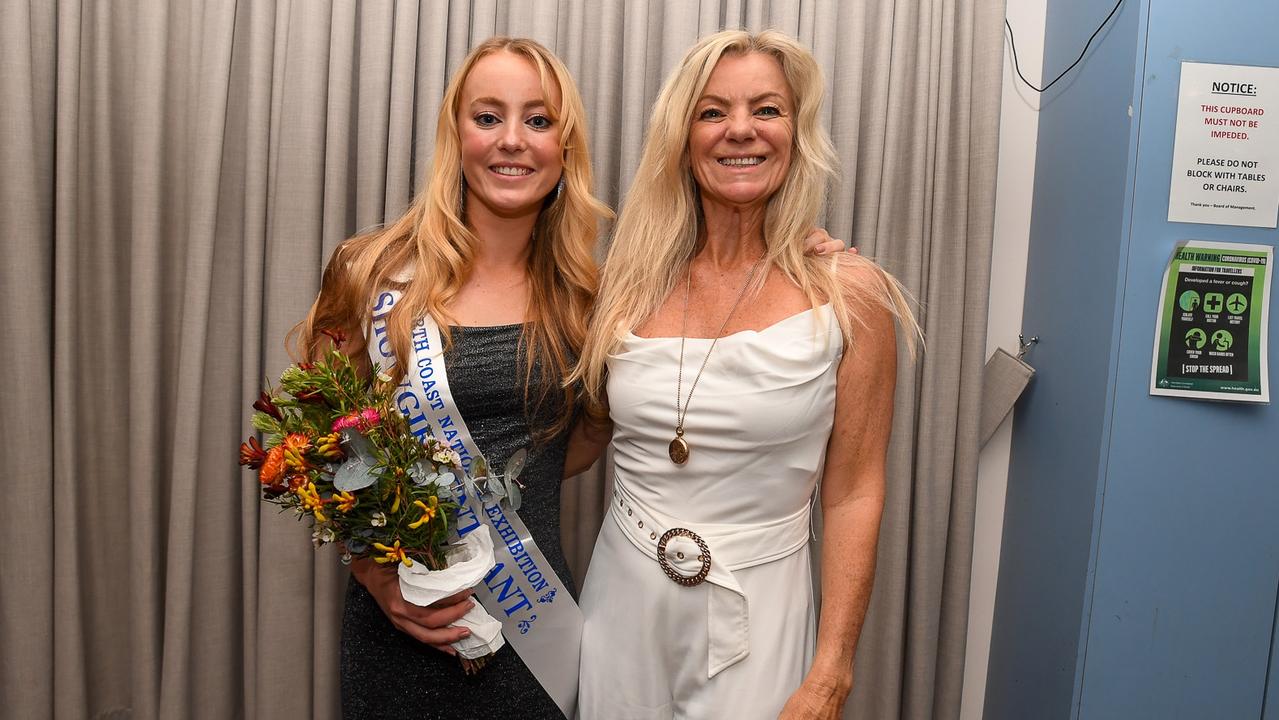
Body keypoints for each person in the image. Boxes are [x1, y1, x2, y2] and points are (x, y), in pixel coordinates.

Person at [572, 30, 919, 719]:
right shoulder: (623, 286)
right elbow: (577, 441)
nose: (740, 131)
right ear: (681, 136)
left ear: (797, 131)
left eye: (766, 109)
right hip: (620, 605)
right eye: (711, 111)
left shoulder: (850, 294)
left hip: (761, 613)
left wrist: (831, 672)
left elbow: (854, 491)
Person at [292, 37, 610, 718]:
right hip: (401, 625)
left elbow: (582, 445)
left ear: (565, 146)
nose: (512, 142)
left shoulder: (592, 297)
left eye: (538, 119)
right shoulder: (371, 271)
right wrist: (375, 573)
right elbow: (316, 438)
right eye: (488, 117)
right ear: (455, 134)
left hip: (535, 627)